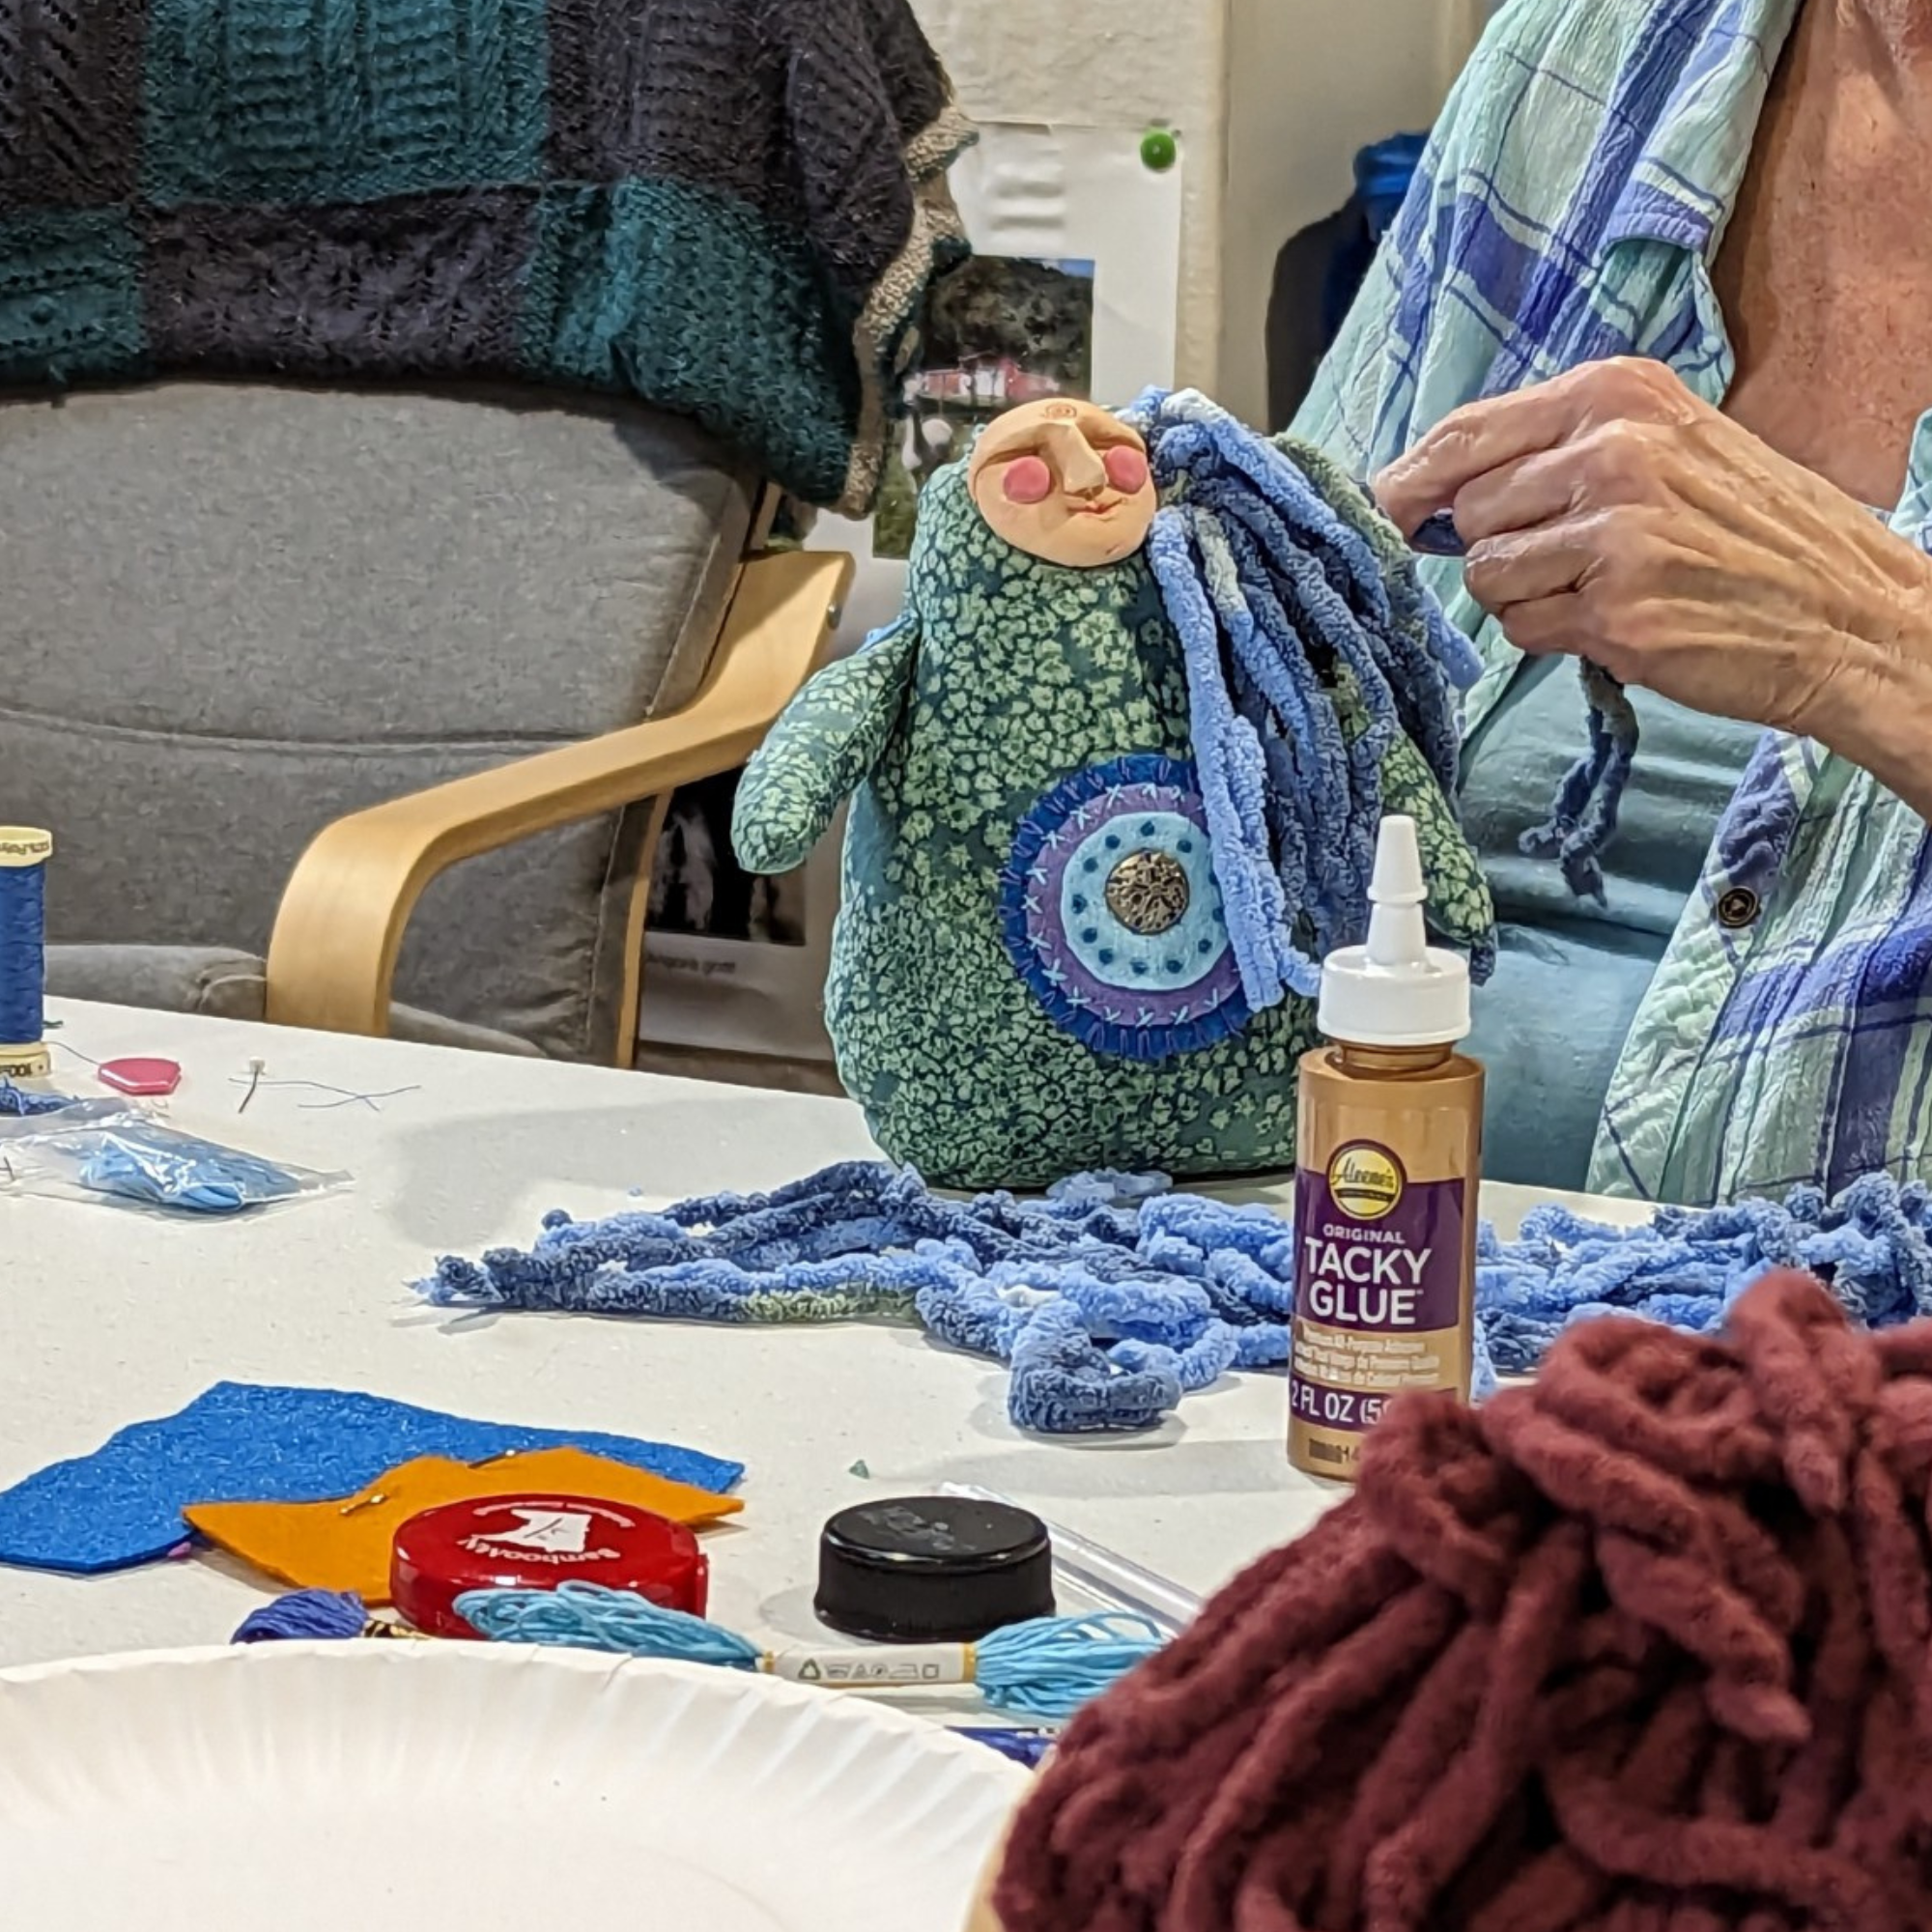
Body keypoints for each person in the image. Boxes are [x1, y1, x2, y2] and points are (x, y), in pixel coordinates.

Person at [1293, 0, 1932, 1207]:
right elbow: (1288, 699)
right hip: (1331, 1273)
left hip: (1846, 1351)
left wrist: (1871, 640)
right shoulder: (1594, 49)